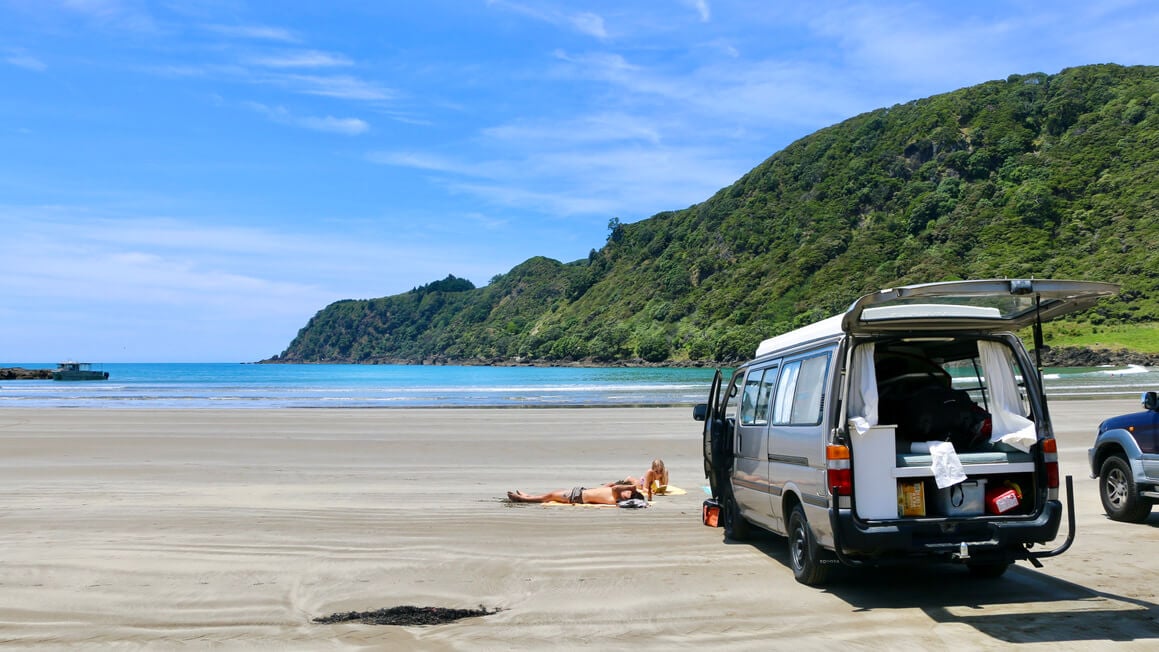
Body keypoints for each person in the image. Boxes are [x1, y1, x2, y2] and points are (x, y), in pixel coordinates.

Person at [507, 483, 643, 505]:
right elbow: (612, 487)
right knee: (551, 495)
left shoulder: (617, 497)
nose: (626, 492)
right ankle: (528, 496)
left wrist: (632, 487)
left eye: (628, 493)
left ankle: (523, 499)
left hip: (577, 496)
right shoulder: (617, 497)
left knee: (549, 496)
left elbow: (617, 488)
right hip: (580, 492)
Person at [605, 459, 669, 500]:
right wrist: (651, 492)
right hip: (642, 483)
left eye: (660, 471)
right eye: (656, 471)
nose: (659, 473)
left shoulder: (665, 472)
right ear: (653, 469)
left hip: (651, 484)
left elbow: (664, 486)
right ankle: (629, 478)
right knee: (636, 483)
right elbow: (644, 489)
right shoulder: (650, 472)